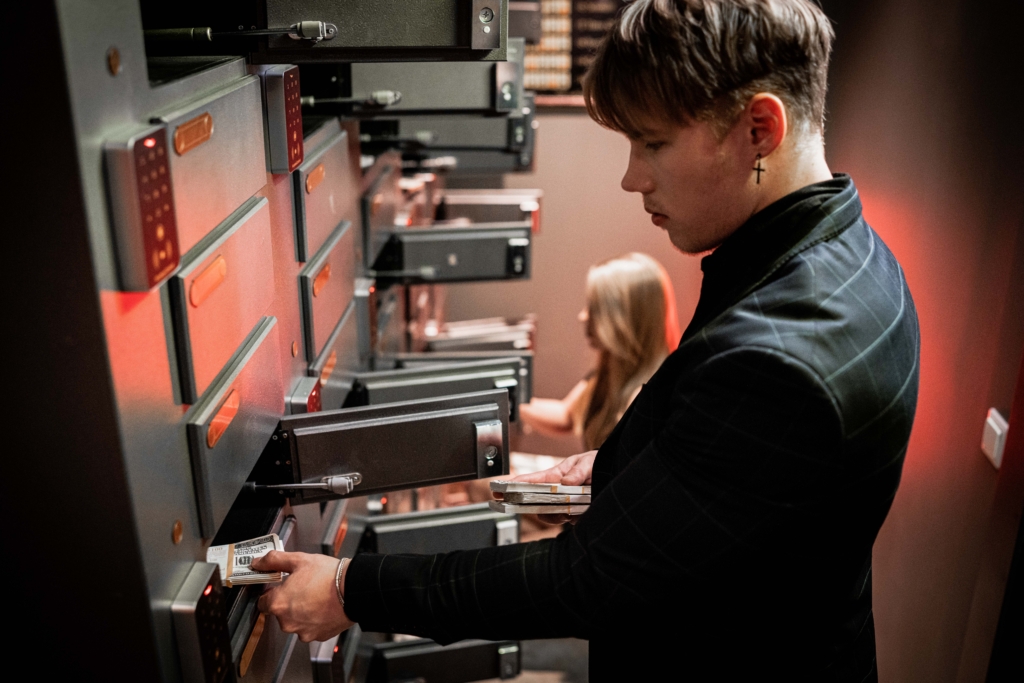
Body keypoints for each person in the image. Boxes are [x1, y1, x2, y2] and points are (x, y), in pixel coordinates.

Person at [252, 1, 920, 679]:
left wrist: (352, 589)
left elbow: (585, 581)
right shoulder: (859, 259)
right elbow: (748, 489)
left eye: (652, 143)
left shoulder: (777, 359)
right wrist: (620, 472)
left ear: (760, 130)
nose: (632, 177)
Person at [519, 252, 681, 451]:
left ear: (625, 319)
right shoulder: (609, 372)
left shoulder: (647, 399)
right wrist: (505, 400)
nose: (582, 316)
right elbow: (566, 416)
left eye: (595, 308)